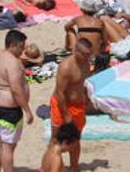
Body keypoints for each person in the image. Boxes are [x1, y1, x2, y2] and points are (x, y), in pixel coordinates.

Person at [0, 29, 33, 172]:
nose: (22, 51)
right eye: (21, 47)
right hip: (8, 109)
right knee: (8, 147)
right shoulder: (13, 63)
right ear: (13, 45)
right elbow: (16, 89)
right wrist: (27, 110)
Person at [50, 38, 92, 171]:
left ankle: (74, 167)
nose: (87, 57)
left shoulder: (86, 63)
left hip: (78, 105)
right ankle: (51, 167)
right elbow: (59, 93)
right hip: (62, 104)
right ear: (76, 51)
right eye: (84, 54)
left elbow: (84, 83)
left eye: (89, 54)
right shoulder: (66, 67)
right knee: (56, 140)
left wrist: (87, 97)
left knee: (76, 139)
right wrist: (66, 114)